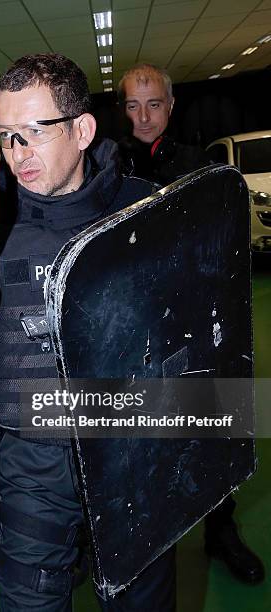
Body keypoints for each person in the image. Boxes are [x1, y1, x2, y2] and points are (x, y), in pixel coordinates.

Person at [0, 54, 176, 611]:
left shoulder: (147, 209)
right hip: (32, 467)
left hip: (133, 451)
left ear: (82, 129)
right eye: (6, 137)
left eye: (33, 133)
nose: (18, 154)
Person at [117, 62, 264, 585]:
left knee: (213, 428)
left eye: (153, 104)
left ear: (170, 106)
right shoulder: (107, 167)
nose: (143, 116)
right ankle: (131, 538)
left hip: (192, 323)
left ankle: (220, 531)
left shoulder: (200, 166)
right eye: (132, 105)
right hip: (132, 332)